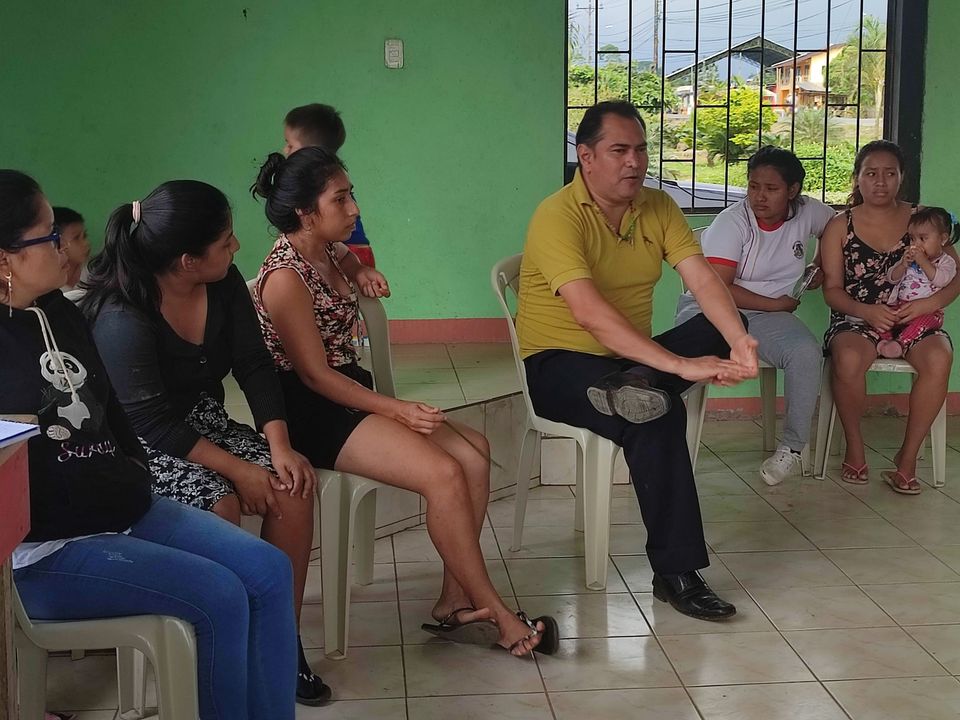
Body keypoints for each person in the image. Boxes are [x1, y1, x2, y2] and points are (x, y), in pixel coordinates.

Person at [1, 169, 297, 720]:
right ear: (4, 259)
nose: (66, 247)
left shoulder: (59, 309)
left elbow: (111, 409)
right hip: (44, 551)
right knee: (220, 595)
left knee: (268, 572)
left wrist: (132, 471)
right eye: (50, 236)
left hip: (122, 506)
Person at [250, 147, 558, 656]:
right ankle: (497, 612)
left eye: (351, 195)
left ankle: (454, 600)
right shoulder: (284, 278)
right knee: (443, 472)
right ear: (305, 212)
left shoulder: (328, 249)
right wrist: (395, 408)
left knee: (474, 451)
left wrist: (360, 271)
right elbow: (313, 375)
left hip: (348, 392)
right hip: (310, 409)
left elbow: (347, 259)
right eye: (340, 199)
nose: (354, 209)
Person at [79, 181, 331, 705]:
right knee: (218, 504)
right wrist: (239, 471)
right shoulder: (122, 315)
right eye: (225, 241)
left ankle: (281, 645)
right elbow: (150, 421)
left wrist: (279, 447)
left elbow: (254, 364)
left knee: (292, 485)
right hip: (136, 441)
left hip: (201, 422)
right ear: (187, 261)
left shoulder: (222, 280)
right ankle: (218, 652)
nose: (236, 246)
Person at [517, 101, 758, 621]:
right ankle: (676, 574)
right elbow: (590, 315)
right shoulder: (557, 216)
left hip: (627, 361)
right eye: (619, 150)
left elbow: (701, 279)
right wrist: (680, 366)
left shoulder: (657, 206)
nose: (635, 162)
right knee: (656, 413)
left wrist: (738, 340)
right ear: (586, 157)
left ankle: (639, 378)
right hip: (559, 364)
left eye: (642, 150)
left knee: (726, 324)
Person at [675, 146, 836, 486]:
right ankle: (655, 437)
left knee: (806, 353)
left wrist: (820, 265)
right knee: (685, 358)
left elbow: (837, 227)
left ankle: (792, 448)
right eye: (753, 186)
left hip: (766, 316)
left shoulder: (807, 211)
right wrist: (776, 305)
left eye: (771, 188)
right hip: (710, 309)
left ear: (792, 191)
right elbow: (717, 288)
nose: (759, 196)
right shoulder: (732, 222)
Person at [821, 140, 960, 494]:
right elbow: (832, 290)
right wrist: (866, 311)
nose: (880, 181)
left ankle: (907, 460)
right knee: (848, 357)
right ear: (857, 178)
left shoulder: (925, 219)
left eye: (889, 173)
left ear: (902, 177)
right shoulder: (840, 225)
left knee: (939, 357)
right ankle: (855, 448)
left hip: (916, 320)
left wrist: (931, 304)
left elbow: (955, 274)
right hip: (856, 318)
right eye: (871, 173)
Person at [283, 103, 376, 267]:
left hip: (347, 256)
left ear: (311, 151)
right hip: (360, 251)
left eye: (290, 145)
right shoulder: (336, 178)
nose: (285, 150)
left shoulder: (316, 184)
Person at [876, 206, 959, 358]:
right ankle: (885, 339)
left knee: (922, 323)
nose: (916, 245)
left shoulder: (947, 262)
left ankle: (900, 344)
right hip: (901, 306)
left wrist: (923, 262)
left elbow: (940, 280)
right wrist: (902, 265)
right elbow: (892, 278)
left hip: (929, 311)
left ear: (943, 239)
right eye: (912, 239)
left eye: (923, 238)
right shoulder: (910, 259)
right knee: (882, 318)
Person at [52, 206, 90, 291]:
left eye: (85, 236)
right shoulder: (49, 287)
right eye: (76, 238)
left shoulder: (92, 274)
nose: (86, 243)